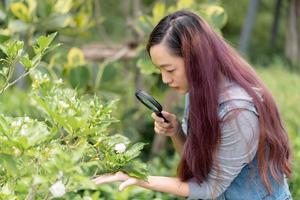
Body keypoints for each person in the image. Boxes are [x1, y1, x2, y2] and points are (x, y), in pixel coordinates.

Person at [93, 10, 292, 199]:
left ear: (196, 60)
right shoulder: (198, 92)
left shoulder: (238, 111)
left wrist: (139, 179)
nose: (164, 79)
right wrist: (176, 132)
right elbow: (199, 169)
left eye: (169, 69)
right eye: (159, 70)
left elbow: (210, 187)